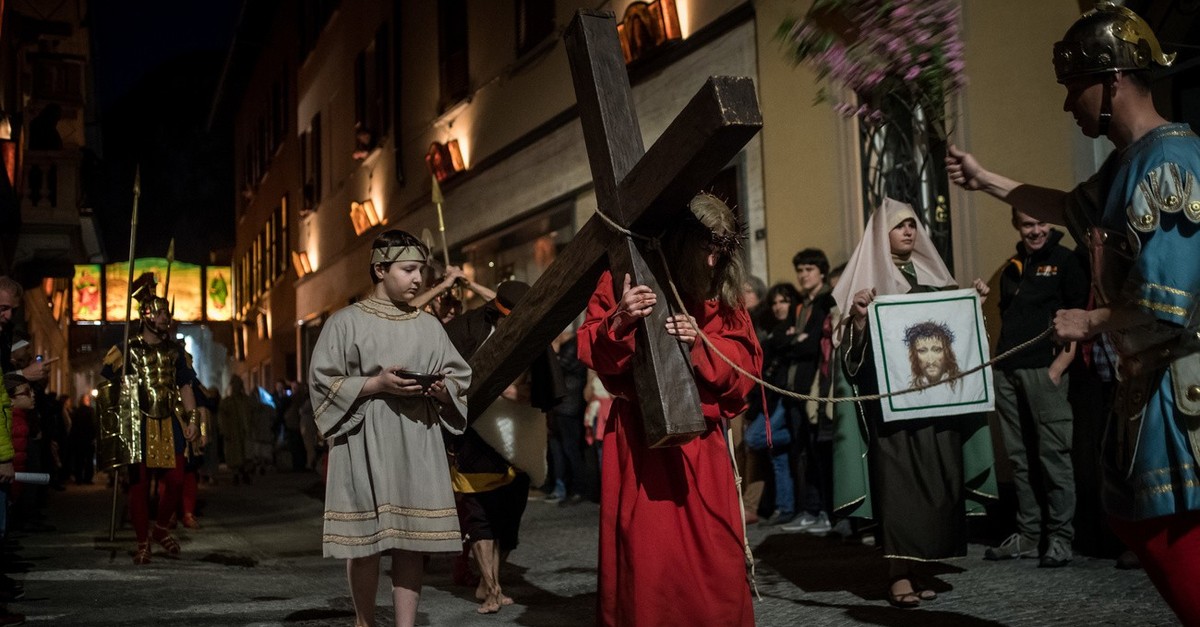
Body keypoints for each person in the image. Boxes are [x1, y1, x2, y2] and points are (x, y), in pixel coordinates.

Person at [945, 4, 1200, 621]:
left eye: (1073, 89)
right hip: (1147, 384)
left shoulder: (1170, 161)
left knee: (1177, 538)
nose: (1067, 106)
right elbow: (1066, 207)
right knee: (1135, 521)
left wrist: (1089, 323)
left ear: (1112, 81)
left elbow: (1171, 302)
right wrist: (986, 181)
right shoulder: (1124, 165)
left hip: (1183, 387)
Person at [577, 192, 762, 626]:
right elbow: (591, 346)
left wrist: (702, 345)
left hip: (702, 447)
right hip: (641, 444)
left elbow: (745, 368)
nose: (713, 264)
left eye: (721, 253)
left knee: (715, 560)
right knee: (650, 559)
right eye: (706, 251)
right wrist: (620, 321)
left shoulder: (723, 293)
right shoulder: (625, 276)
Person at [831, 198, 997, 608]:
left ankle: (924, 566)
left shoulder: (933, 278)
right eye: (899, 225)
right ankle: (897, 572)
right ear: (881, 234)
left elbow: (956, 335)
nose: (909, 231)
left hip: (937, 407)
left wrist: (972, 303)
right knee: (900, 490)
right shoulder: (865, 285)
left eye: (912, 225)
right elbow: (848, 358)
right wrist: (857, 319)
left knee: (938, 484)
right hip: (893, 412)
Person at [308, 229, 470, 627]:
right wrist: (375, 384)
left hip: (417, 439)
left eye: (422, 271)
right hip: (365, 440)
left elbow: (458, 378)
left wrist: (441, 389)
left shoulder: (429, 326)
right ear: (380, 269)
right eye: (409, 270)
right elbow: (322, 380)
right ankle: (365, 622)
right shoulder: (345, 322)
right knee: (364, 543)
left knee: (412, 542)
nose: (419, 279)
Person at [443, 280, 562, 614]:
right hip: (477, 435)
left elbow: (542, 390)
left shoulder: (533, 337)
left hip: (520, 435)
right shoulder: (468, 328)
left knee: (509, 519)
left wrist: (512, 393)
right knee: (479, 515)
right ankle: (493, 588)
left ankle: (489, 580)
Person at [983, 210, 1087, 567]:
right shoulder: (1012, 267)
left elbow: (1078, 319)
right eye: (1028, 224)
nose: (1036, 230)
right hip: (1008, 372)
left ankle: (1060, 538)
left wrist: (1058, 369)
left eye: (1041, 223)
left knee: (1053, 456)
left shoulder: (1066, 261)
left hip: (1045, 371)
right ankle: (1028, 534)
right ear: (1017, 225)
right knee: (1018, 457)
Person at [96, 275, 199, 564]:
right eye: (161, 312)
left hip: (169, 420)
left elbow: (186, 386)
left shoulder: (176, 351)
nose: (166, 317)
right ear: (146, 315)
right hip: (136, 423)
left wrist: (192, 420)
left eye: (167, 313)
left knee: (177, 480)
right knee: (139, 485)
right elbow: (107, 389)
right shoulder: (126, 349)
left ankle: (161, 528)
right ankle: (142, 542)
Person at [781, 248, 838, 535]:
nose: (803, 275)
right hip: (796, 387)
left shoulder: (825, 301)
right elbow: (783, 341)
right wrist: (793, 340)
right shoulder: (802, 304)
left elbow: (811, 344)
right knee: (802, 452)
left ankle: (825, 511)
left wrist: (797, 340)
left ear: (822, 272)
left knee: (819, 452)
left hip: (815, 388)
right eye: (800, 270)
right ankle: (811, 509)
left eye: (809, 270)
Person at [750, 282, 803, 527]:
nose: (778, 306)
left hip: (785, 395)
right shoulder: (775, 329)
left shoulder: (796, 324)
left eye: (783, 301)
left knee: (755, 438)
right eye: (774, 302)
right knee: (777, 456)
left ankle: (793, 436)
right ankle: (786, 507)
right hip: (769, 396)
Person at [217, 375, 254, 484]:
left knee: (246, 454)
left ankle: (245, 473)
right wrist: (224, 431)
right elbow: (222, 418)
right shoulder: (227, 402)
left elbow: (252, 413)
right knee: (235, 455)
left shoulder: (246, 401)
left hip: (245, 433)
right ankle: (236, 474)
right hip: (233, 433)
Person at [903, 321, 961, 389]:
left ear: (947, 353)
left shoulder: (962, 383)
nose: (930, 360)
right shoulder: (911, 387)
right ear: (914, 355)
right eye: (922, 351)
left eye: (937, 350)